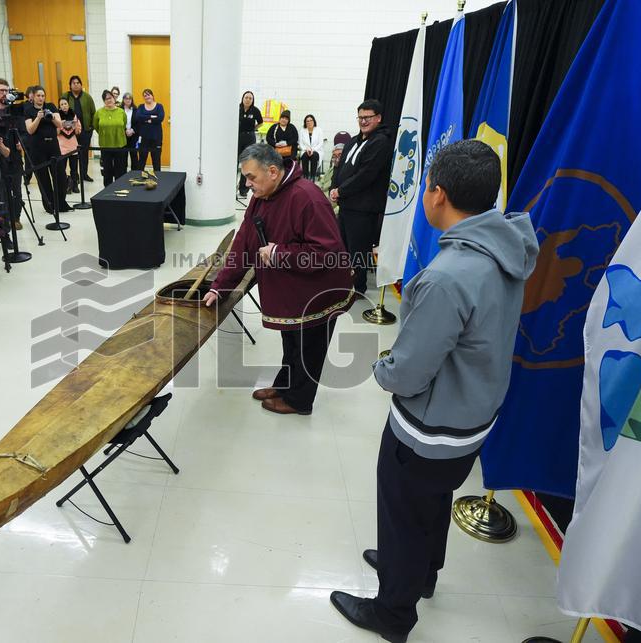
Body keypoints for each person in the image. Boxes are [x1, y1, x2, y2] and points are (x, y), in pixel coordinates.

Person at [329, 140, 538, 642]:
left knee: (402, 511)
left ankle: (392, 613)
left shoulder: (448, 276)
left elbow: (407, 373)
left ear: (437, 193)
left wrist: (381, 368)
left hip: (429, 429)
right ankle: (421, 573)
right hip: (471, 420)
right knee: (435, 500)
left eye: (425, 185)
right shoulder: (509, 246)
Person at [204, 143, 353, 415]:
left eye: (251, 177)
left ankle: (299, 400)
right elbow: (243, 243)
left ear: (273, 171)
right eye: (245, 177)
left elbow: (328, 253)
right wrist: (219, 286)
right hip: (291, 290)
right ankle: (285, 385)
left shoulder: (307, 197)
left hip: (316, 292)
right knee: (291, 341)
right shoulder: (262, 195)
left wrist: (279, 253)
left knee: (308, 347)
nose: (247, 184)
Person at [330, 99, 392, 294]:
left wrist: (341, 190)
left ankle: (358, 288)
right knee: (343, 247)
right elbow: (339, 167)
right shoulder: (353, 141)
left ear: (378, 118)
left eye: (368, 117)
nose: (363, 121)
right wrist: (334, 187)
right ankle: (343, 282)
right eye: (360, 117)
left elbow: (366, 174)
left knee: (359, 251)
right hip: (347, 205)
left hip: (364, 207)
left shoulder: (380, 142)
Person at [24, 86, 71, 214]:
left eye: (43, 96)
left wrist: (52, 117)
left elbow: (60, 125)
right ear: (33, 96)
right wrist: (38, 118)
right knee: (43, 178)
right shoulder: (28, 110)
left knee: (60, 175)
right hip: (37, 149)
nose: (41, 98)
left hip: (53, 146)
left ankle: (61, 203)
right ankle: (50, 205)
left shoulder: (50, 106)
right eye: (38, 95)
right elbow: (30, 130)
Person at [0, 78, 25, 230]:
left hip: (15, 157)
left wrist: (20, 142)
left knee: (16, 190)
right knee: (1, 192)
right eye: (0, 90)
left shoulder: (15, 109)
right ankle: (2, 220)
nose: (4, 93)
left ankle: (15, 218)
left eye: (6, 90)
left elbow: (24, 129)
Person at [62, 75, 96, 182]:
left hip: (85, 131)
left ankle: (84, 174)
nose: (76, 85)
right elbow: (60, 111)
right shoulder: (66, 96)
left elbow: (93, 113)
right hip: (70, 132)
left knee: (84, 154)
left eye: (78, 83)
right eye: (73, 83)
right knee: (72, 155)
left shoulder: (87, 97)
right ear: (70, 85)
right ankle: (74, 177)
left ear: (81, 84)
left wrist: (91, 128)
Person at [92, 90, 128, 188]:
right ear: (104, 101)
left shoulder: (121, 112)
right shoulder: (99, 112)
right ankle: (107, 189)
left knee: (119, 170)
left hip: (120, 144)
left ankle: (119, 188)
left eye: (110, 98)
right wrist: (105, 133)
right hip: (105, 145)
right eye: (106, 99)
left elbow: (123, 124)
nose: (109, 100)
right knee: (107, 170)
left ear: (114, 98)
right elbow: (96, 126)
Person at [237, 90, 263, 197]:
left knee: (246, 163)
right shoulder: (237, 108)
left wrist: (253, 129)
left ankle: (243, 189)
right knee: (234, 162)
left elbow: (261, 122)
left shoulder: (255, 110)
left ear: (252, 100)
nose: (248, 99)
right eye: (246, 97)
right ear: (242, 98)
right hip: (237, 137)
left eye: (250, 98)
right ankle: (231, 186)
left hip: (249, 138)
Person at [317, 133, 350, 214]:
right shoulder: (332, 169)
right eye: (334, 156)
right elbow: (322, 182)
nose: (337, 159)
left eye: (340, 155)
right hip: (324, 198)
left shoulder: (348, 172)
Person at [133, 88, 165, 172]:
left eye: (148, 94)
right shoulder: (141, 106)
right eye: (145, 95)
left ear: (152, 95)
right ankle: (139, 179)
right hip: (144, 138)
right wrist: (152, 117)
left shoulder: (159, 106)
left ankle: (157, 180)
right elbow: (138, 117)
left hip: (156, 138)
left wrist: (145, 119)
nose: (147, 97)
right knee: (142, 161)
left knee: (156, 161)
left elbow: (160, 118)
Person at [57, 97, 81, 194]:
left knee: (74, 168)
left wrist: (75, 127)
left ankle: (75, 185)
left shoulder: (74, 115)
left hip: (73, 145)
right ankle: (66, 184)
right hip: (62, 146)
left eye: (65, 104)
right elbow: (56, 132)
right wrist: (60, 125)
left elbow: (78, 131)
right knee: (62, 168)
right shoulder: (57, 116)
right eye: (61, 104)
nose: (64, 106)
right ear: (59, 106)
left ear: (68, 105)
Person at [298, 114, 324, 181]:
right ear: (305, 122)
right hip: (305, 150)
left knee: (314, 156)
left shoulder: (319, 130)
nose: (309, 122)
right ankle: (305, 176)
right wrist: (306, 149)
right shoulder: (302, 130)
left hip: (316, 150)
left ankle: (313, 176)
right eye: (307, 121)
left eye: (311, 120)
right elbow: (300, 143)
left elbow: (321, 143)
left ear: (314, 121)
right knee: (305, 156)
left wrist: (313, 150)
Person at [121, 92, 138, 169]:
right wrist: (125, 130)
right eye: (126, 98)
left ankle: (134, 174)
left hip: (133, 135)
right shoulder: (119, 109)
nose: (128, 100)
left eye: (129, 98)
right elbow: (119, 123)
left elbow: (138, 123)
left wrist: (132, 130)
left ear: (132, 100)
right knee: (123, 156)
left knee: (134, 156)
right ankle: (123, 174)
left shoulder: (135, 109)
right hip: (122, 135)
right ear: (123, 100)